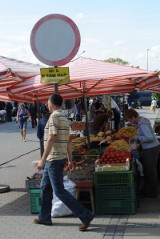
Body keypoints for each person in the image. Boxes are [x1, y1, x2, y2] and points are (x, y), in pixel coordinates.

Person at [34, 93, 94, 231]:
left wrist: (42, 159)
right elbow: (68, 142)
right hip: (57, 159)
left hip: (53, 159)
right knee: (45, 187)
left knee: (59, 191)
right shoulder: (65, 118)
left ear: (52, 103)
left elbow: (52, 138)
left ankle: (85, 214)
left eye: (48, 102)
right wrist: (70, 160)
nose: (47, 105)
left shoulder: (54, 117)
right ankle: (44, 217)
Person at [125, 108, 160, 198]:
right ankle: (147, 190)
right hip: (149, 148)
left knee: (150, 171)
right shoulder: (140, 122)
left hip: (151, 149)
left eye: (129, 119)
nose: (130, 122)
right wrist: (139, 144)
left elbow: (149, 138)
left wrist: (137, 138)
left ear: (133, 117)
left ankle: (152, 192)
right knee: (147, 170)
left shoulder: (142, 123)